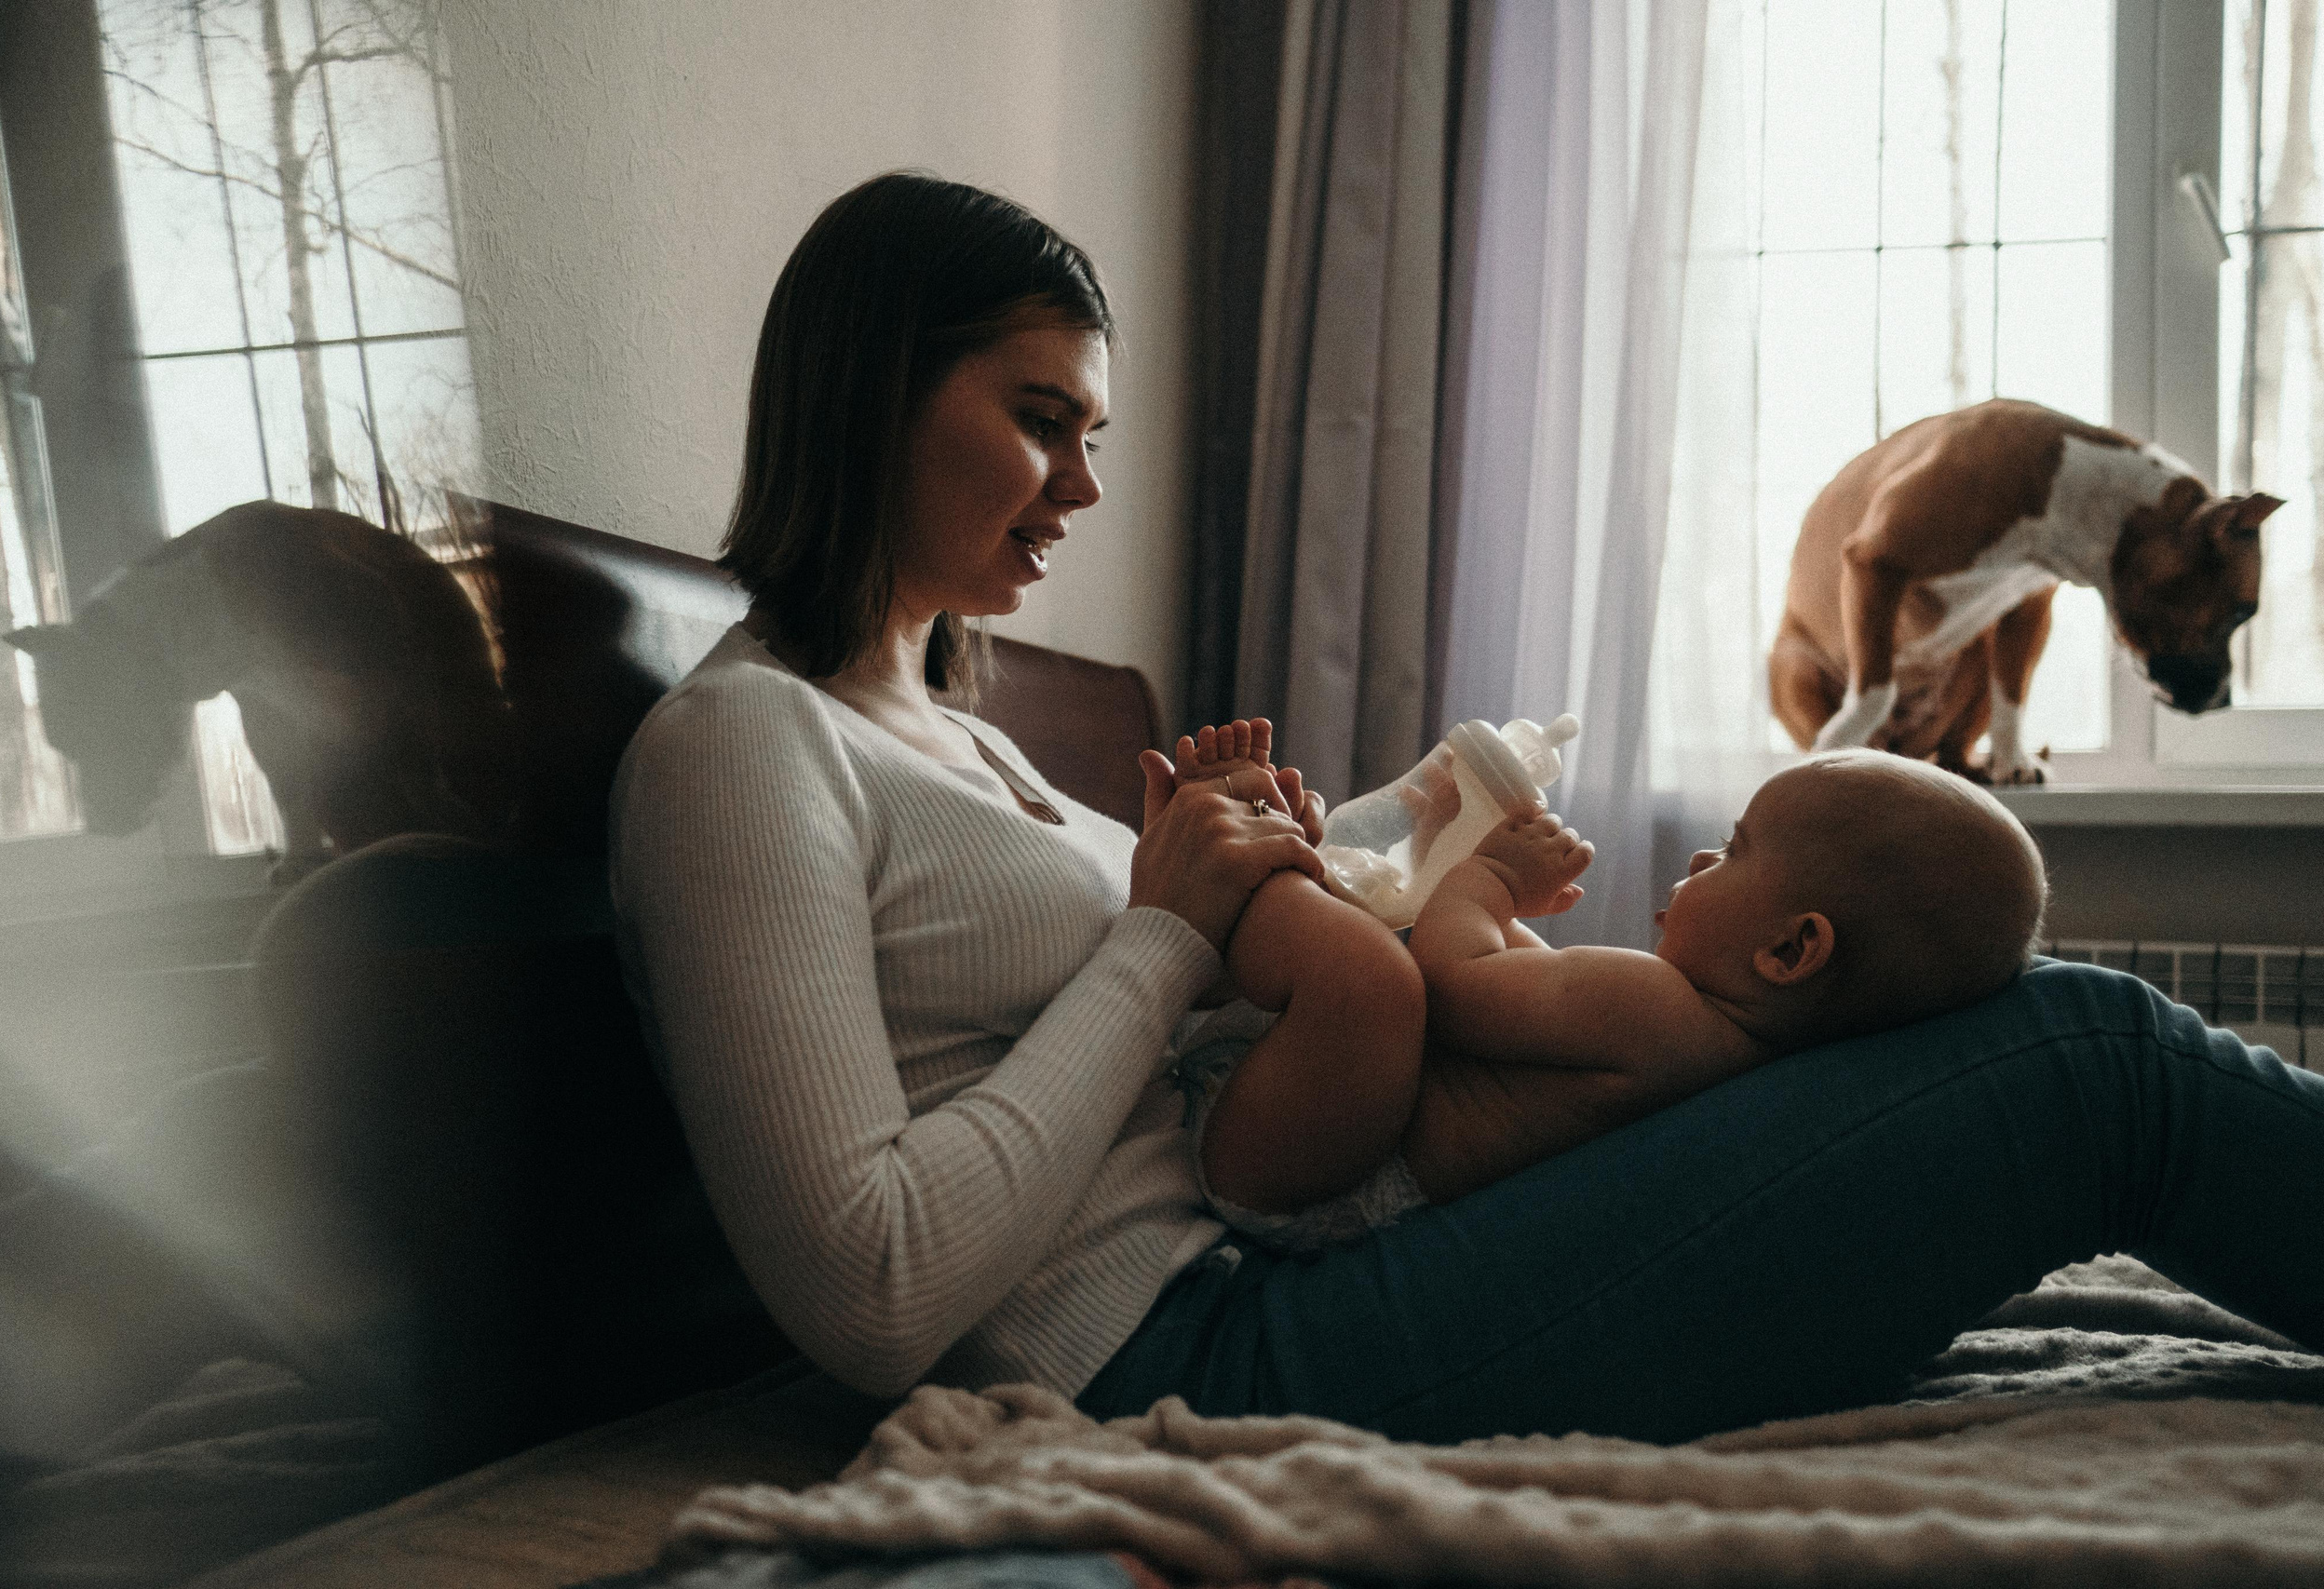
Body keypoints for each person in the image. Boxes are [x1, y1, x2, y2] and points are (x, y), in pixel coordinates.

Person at [609, 169, 2324, 1450]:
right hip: (1205, 1350)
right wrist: (1166, 928)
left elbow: (1201, 991)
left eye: (1093, 430)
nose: (1085, 484)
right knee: (2089, 1062)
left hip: (1301, 1244)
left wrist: (1415, 813)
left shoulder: (952, 732)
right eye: (1040, 420)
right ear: (873, 391)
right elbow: (873, 1289)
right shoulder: (740, 749)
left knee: (1996, 1014)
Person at [1165, 727, 2046, 1246]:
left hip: (1311, 1165)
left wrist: (1491, 879)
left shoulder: (1658, 1009)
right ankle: (1245, 852)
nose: (1700, 858)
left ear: (1788, 949)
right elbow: (1501, 980)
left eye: (1734, 850)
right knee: (1361, 939)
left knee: (1367, 973)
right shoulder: (1708, 1046)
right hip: (1325, 1141)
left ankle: (1222, 849)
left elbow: (1453, 977)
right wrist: (1476, 884)